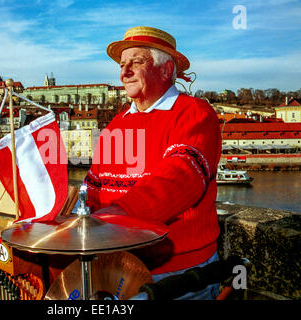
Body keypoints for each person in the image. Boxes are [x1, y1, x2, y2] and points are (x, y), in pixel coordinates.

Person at [84, 26, 222, 299]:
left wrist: (117, 216)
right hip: (118, 267)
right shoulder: (117, 123)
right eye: (122, 65)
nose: (124, 72)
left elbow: (181, 177)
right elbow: (93, 186)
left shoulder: (193, 112)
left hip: (179, 273)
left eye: (136, 62)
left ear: (165, 69)